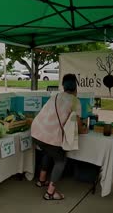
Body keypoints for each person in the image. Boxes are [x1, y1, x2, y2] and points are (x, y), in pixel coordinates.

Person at [31, 73, 87, 201]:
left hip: (36, 132)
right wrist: (83, 129)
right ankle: (50, 193)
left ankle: (41, 180)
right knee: (61, 160)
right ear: (76, 87)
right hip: (50, 136)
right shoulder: (75, 101)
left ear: (63, 85)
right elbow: (78, 125)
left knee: (48, 152)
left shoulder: (54, 96)